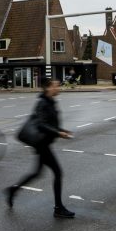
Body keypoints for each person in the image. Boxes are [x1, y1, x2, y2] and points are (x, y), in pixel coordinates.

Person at [7, 78, 75, 218]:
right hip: (42, 143)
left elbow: (50, 123)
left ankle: (13, 190)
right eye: (56, 86)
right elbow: (41, 125)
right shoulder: (42, 103)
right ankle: (58, 208)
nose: (59, 88)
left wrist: (62, 131)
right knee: (57, 172)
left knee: (37, 173)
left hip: (44, 142)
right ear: (49, 88)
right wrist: (58, 133)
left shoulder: (50, 102)